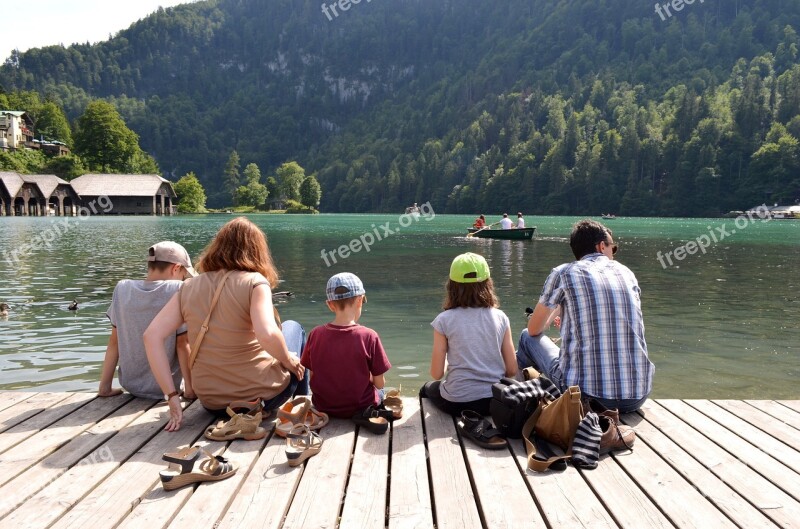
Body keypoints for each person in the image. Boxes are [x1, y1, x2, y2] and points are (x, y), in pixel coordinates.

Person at [144, 217, 307, 432]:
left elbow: (151, 336)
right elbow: (267, 333)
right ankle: (305, 402)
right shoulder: (255, 282)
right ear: (258, 250)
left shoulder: (188, 287)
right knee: (293, 327)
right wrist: (288, 360)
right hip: (261, 398)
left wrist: (172, 396)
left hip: (212, 402)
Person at [517, 219, 654, 413]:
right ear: (601, 246)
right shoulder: (627, 273)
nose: (613, 254)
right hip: (637, 396)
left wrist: (556, 309)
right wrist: (561, 308)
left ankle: (514, 396)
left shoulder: (563, 273)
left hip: (588, 397)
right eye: (612, 249)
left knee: (525, 337)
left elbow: (534, 330)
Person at [419, 253, 517, 416]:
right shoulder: (501, 317)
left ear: (451, 286)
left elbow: (436, 374)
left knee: (428, 388)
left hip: (457, 403)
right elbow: (512, 369)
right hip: (494, 402)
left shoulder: (443, 320)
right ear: (488, 284)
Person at [98, 241, 196, 400]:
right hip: (167, 389)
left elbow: (114, 341)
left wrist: (104, 387)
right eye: (184, 274)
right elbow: (182, 344)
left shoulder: (122, 288)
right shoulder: (177, 289)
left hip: (131, 386)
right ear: (176, 268)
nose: (183, 278)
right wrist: (190, 391)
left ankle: (104, 386)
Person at [300, 273, 391, 419]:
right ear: (360, 301)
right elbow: (379, 384)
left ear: (330, 304)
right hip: (360, 407)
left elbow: (312, 377)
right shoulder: (369, 336)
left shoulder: (315, 334)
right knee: (380, 392)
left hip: (323, 406)